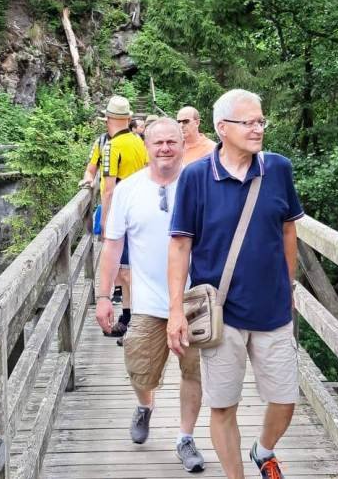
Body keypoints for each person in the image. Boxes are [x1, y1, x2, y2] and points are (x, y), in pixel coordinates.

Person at [166, 90, 304, 479]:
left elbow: (288, 230)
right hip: (220, 313)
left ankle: (264, 449)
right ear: (222, 128)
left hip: (273, 308)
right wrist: (175, 311)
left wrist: (289, 285)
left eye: (261, 121)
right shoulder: (196, 176)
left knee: (285, 399)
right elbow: (180, 245)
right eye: (249, 122)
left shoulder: (278, 169)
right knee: (223, 405)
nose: (258, 129)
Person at [95, 118, 206, 473]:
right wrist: (103, 296)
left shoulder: (200, 185)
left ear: (183, 144)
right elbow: (112, 246)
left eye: (172, 141)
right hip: (146, 301)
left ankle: (185, 438)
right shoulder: (129, 190)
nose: (165, 148)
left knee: (193, 371)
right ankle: (145, 406)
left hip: (195, 300)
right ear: (146, 147)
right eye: (158, 142)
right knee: (139, 370)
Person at [80, 95, 148, 336]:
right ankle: (129, 317)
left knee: (127, 272)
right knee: (128, 269)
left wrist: (106, 223)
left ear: (108, 119)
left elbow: (108, 190)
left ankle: (137, 322)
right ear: (128, 119)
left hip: (123, 215)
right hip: (141, 211)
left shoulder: (111, 147)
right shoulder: (138, 141)